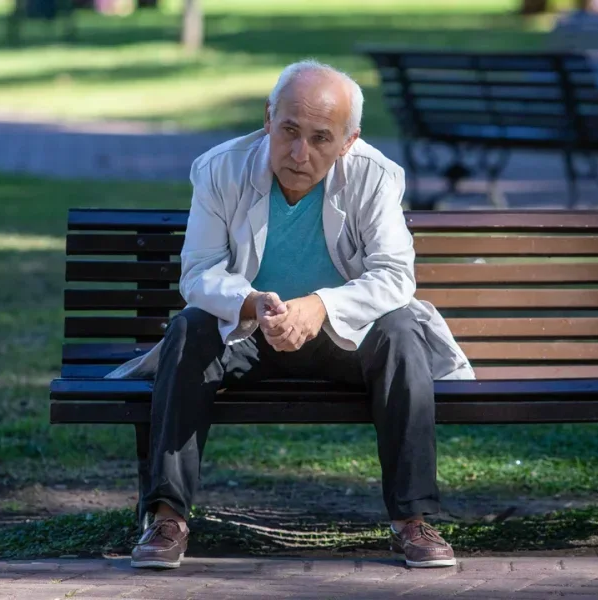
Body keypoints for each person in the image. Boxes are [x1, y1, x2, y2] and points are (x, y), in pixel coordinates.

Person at [104, 59, 475, 569]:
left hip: (341, 337)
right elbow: (198, 273)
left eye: (321, 138)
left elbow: (395, 276)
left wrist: (321, 306)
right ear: (268, 119)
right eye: (289, 131)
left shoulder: (375, 175)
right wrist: (253, 303)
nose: (300, 153)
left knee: (401, 330)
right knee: (188, 328)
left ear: (348, 140)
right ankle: (167, 516)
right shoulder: (220, 168)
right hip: (250, 332)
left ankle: (412, 521)